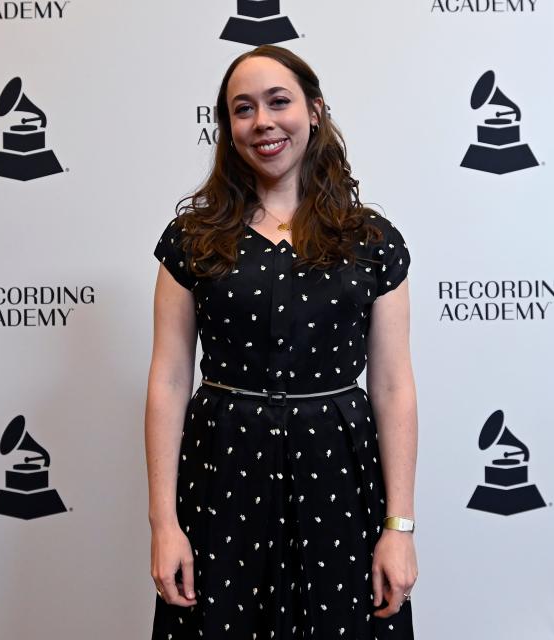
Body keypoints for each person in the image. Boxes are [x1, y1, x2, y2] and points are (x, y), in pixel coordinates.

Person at [145, 45, 418, 639]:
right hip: (223, 480)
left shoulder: (372, 240)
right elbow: (168, 381)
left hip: (338, 481)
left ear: (314, 111)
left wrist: (398, 528)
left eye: (279, 102)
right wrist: (164, 523)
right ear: (228, 129)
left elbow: (393, 387)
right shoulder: (191, 239)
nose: (262, 121)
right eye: (243, 109)